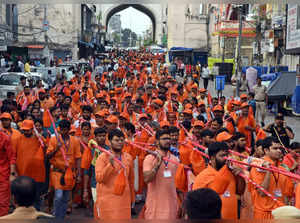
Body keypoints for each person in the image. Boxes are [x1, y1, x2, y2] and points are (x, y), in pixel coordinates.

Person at [193, 142, 245, 219]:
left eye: (227, 155)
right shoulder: (203, 177)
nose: (226, 158)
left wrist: (240, 176)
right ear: (212, 158)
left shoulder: (231, 172)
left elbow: (240, 192)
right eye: (222, 156)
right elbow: (196, 204)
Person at [249, 136, 294, 219]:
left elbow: (287, 195)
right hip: (263, 214)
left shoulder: (283, 168)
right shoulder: (258, 167)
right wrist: (268, 171)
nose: (279, 151)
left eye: (280, 148)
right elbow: (262, 193)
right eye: (275, 148)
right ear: (266, 150)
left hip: (280, 213)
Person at [94, 129, 134, 220]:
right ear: (110, 141)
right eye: (116, 140)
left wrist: (132, 198)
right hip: (108, 201)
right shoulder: (102, 157)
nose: (120, 142)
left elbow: (131, 179)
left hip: (124, 200)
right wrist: (109, 165)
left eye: (121, 140)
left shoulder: (128, 157)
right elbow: (99, 178)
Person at [46, 120, 81, 219]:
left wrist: (78, 173)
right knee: (58, 196)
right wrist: (57, 148)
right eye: (61, 130)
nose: (63, 132)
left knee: (66, 197)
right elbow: (48, 156)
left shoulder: (75, 140)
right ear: (59, 129)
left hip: (70, 173)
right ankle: (56, 216)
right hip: (57, 172)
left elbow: (78, 157)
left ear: (69, 129)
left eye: (65, 130)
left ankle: (61, 216)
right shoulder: (54, 140)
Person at [0, 129, 17, 217]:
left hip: (3, 175)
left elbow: (12, 157)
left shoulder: (5, 138)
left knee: (3, 202)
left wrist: (12, 173)